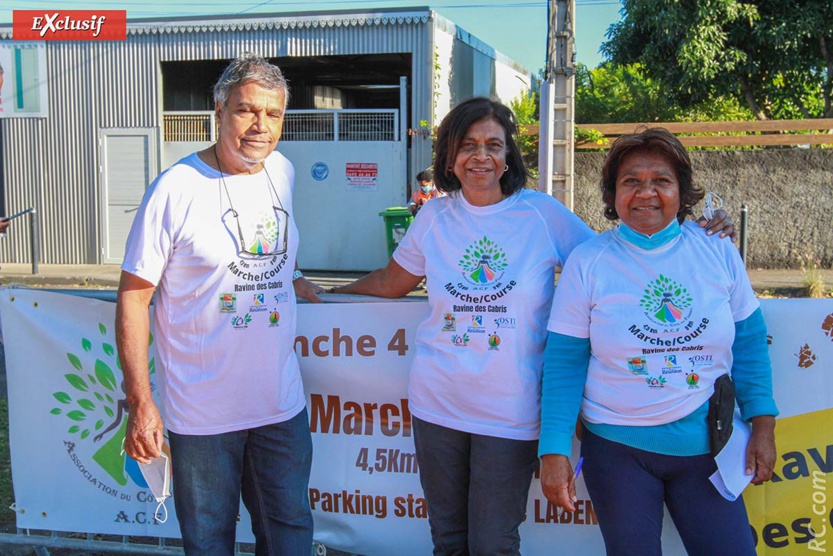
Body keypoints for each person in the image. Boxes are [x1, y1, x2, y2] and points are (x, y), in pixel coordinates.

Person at [330, 99, 735, 554]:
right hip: (436, 404)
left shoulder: (542, 213)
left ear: (508, 156)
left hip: (512, 411)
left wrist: (698, 236)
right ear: (448, 156)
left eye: (493, 145)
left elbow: (622, 258)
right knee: (447, 541)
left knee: (493, 544)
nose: (481, 156)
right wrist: (322, 294)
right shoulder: (433, 217)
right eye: (468, 145)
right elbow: (391, 280)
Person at [116, 53, 324, 555]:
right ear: (218, 109)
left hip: (280, 406)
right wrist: (142, 402)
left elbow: (270, 242)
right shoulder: (175, 189)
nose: (260, 127)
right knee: (209, 542)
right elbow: (133, 298)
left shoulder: (282, 170)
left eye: (273, 114)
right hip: (202, 416)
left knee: (291, 533)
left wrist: (292, 276)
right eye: (246, 110)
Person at [539, 128, 777, 555]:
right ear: (612, 195)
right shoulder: (588, 262)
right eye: (631, 181)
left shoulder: (717, 250)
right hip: (618, 449)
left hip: (709, 446)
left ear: (681, 193)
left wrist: (763, 426)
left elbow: (750, 342)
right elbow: (563, 363)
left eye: (661, 181)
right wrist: (554, 452)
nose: (645, 192)